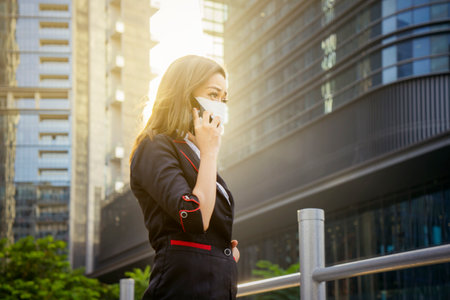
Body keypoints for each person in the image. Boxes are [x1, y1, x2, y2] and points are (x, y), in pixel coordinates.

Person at [129, 55, 239, 300]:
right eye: (213, 95)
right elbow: (194, 216)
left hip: (214, 289)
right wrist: (211, 152)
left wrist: (223, 252)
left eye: (224, 98)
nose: (220, 105)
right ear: (185, 94)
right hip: (180, 290)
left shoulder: (195, 151)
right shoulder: (155, 146)